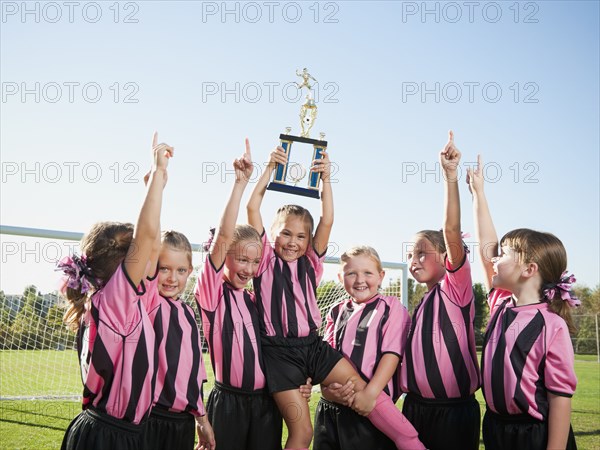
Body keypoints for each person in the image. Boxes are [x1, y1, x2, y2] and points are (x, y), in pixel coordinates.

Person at [247, 146, 424, 450]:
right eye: (286, 234)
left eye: (301, 237)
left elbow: (327, 219)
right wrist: (268, 170)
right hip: (279, 352)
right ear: (272, 235)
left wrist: (326, 178)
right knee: (302, 433)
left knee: (363, 389)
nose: (293, 242)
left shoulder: (310, 264)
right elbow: (253, 208)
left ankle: (409, 441)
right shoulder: (264, 262)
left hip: (312, 346)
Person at [195, 140, 312, 450]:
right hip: (229, 402)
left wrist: (303, 377)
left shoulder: (255, 301)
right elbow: (223, 236)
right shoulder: (212, 296)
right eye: (241, 260)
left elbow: (285, 343)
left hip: (266, 402)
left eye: (255, 261)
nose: (248, 268)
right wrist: (240, 183)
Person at [59, 133, 172, 450]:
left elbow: (153, 243)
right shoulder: (113, 303)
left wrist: (157, 188)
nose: (149, 256)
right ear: (122, 266)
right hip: (106, 436)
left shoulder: (130, 304)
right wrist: (158, 174)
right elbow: (147, 236)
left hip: (121, 433)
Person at [467, 154, 578, 450]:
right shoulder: (502, 303)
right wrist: (479, 194)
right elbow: (486, 245)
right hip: (495, 428)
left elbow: (559, 399)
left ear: (529, 270)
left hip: (534, 434)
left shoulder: (551, 324)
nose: (493, 259)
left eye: (503, 254)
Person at [400, 131, 481, 450]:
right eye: (409, 255)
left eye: (422, 253)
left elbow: (450, 229)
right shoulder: (420, 305)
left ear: (447, 256)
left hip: (453, 413)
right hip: (414, 408)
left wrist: (450, 176)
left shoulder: (455, 290)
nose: (413, 260)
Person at [313, 246, 420, 450]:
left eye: (367, 273)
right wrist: (328, 392)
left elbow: (392, 355)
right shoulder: (335, 311)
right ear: (340, 277)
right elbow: (326, 360)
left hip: (371, 409)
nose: (360, 280)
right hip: (332, 408)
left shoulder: (391, 308)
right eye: (351, 273)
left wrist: (370, 394)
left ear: (381, 276)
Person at [141, 230, 215, 450]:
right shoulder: (148, 303)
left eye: (181, 270)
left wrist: (202, 420)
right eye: (164, 269)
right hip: (150, 418)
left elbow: (194, 375)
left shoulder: (189, 314)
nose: (172, 278)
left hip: (182, 423)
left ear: (190, 271)